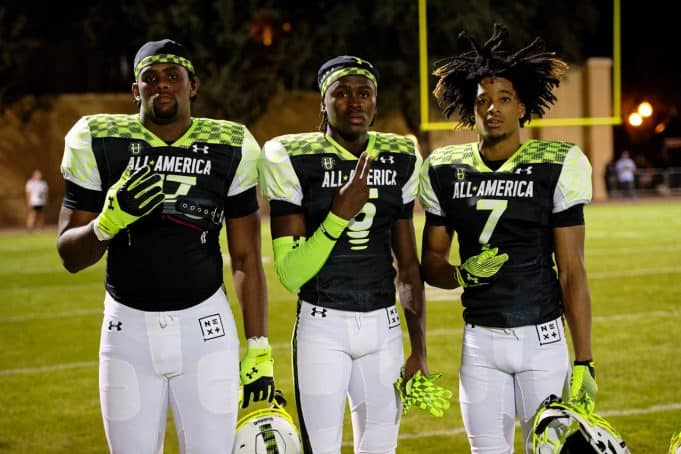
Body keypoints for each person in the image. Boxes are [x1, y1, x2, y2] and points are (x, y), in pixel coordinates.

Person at [56, 38, 275, 453]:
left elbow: (246, 257)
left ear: (193, 85)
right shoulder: (100, 140)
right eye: (150, 77)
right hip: (126, 331)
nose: (162, 85)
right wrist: (107, 223)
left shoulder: (230, 147)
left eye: (173, 76)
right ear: (135, 90)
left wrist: (259, 348)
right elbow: (69, 254)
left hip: (205, 329)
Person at [259, 56, 450, 454]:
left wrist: (419, 350)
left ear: (376, 101)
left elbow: (408, 266)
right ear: (323, 102)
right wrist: (337, 216)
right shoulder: (293, 156)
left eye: (364, 93)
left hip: (384, 329)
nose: (355, 102)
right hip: (322, 325)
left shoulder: (398, 156)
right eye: (341, 93)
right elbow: (291, 274)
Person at [419, 25, 596, 453]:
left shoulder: (556, 163)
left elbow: (572, 271)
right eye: (482, 100)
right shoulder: (445, 168)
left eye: (503, 99)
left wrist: (584, 359)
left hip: (543, 339)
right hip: (480, 341)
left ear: (522, 107)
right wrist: (462, 274)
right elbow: (431, 264)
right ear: (470, 108)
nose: (492, 109)